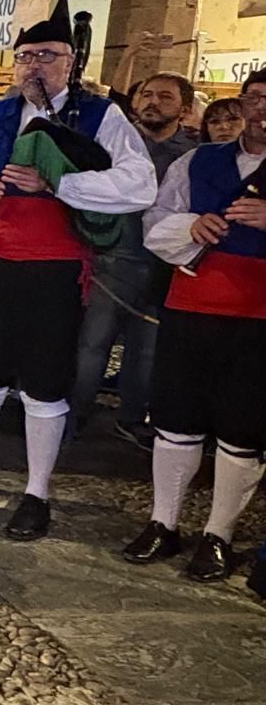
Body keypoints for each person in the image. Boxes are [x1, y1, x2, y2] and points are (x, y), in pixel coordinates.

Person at [0, 0, 157, 540]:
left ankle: (37, 491)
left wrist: (61, 184)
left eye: (47, 55)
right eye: (26, 55)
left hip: (55, 268)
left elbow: (139, 182)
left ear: (70, 61)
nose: (35, 65)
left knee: (45, 382)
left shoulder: (103, 115)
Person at [122, 68, 266, 583]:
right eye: (254, 99)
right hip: (191, 306)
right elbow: (156, 220)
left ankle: (219, 534)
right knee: (176, 419)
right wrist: (191, 226)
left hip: (257, 316)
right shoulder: (198, 160)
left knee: (241, 428)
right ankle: (165, 522)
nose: (262, 110)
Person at [69, 71, 200, 441]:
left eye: (165, 96)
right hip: (111, 258)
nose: (152, 102)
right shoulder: (112, 146)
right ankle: (76, 412)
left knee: (145, 351)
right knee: (93, 343)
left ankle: (130, 418)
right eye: (146, 94)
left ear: (185, 109)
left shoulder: (192, 156)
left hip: (162, 266)